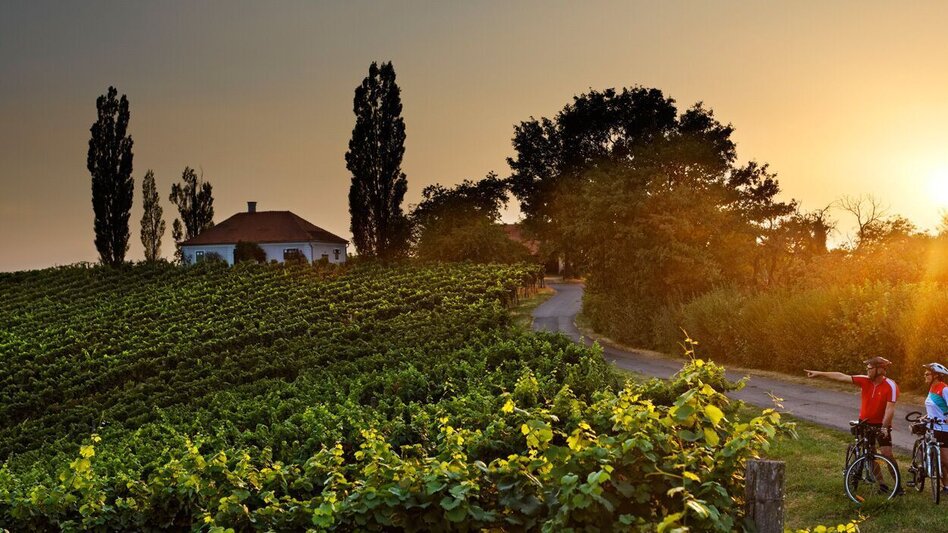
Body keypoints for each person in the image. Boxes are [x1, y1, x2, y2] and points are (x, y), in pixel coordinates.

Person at [805, 356, 903, 494]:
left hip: (881, 424)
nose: (867, 370)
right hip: (864, 423)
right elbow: (841, 376)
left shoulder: (891, 386)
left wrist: (884, 427)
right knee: (870, 454)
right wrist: (820, 373)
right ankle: (882, 485)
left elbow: (890, 409)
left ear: (880, 370)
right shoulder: (864, 380)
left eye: (870, 368)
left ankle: (898, 487)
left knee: (887, 454)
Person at [919, 362, 948, 493]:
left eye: (927, 374)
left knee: (945, 460)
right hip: (931, 427)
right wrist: (925, 416)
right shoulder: (932, 388)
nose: (925, 376)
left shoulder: (944, 389)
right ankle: (945, 486)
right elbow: (934, 408)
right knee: (938, 460)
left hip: (944, 429)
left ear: (936, 375)